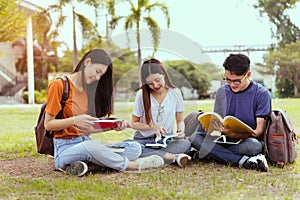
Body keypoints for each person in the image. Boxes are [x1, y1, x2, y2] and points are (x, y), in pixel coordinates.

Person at [44, 49, 164, 176]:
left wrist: (111, 127)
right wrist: (75, 120)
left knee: (134, 148)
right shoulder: (59, 85)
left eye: (100, 76)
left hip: (85, 142)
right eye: (97, 72)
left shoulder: (88, 91)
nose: (97, 78)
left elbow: (88, 129)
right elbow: (48, 124)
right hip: (65, 149)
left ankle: (87, 165)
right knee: (92, 147)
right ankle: (133, 165)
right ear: (87, 62)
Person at [189, 54, 270, 172]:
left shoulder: (261, 94)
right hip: (223, 140)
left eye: (237, 81)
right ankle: (243, 161)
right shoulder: (222, 91)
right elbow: (218, 120)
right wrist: (210, 125)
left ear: (248, 75)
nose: (232, 85)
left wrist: (235, 134)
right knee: (195, 137)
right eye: (228, 80)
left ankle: (210, 154)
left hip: (245, 141)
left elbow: (258, 131)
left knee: (255, 146)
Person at [130, 58, 191, 168]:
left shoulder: (175, 93)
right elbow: (134, 123)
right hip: (144, 140)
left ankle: (152, 157)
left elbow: (180, 120)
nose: (155, 85)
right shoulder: (141, 94)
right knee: (134, 147)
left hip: (165, 141)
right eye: (150, 83)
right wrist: (153, 126)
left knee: (186, 144)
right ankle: (172, 157)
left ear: (164, 75)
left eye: (157, 80)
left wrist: (181, 131)